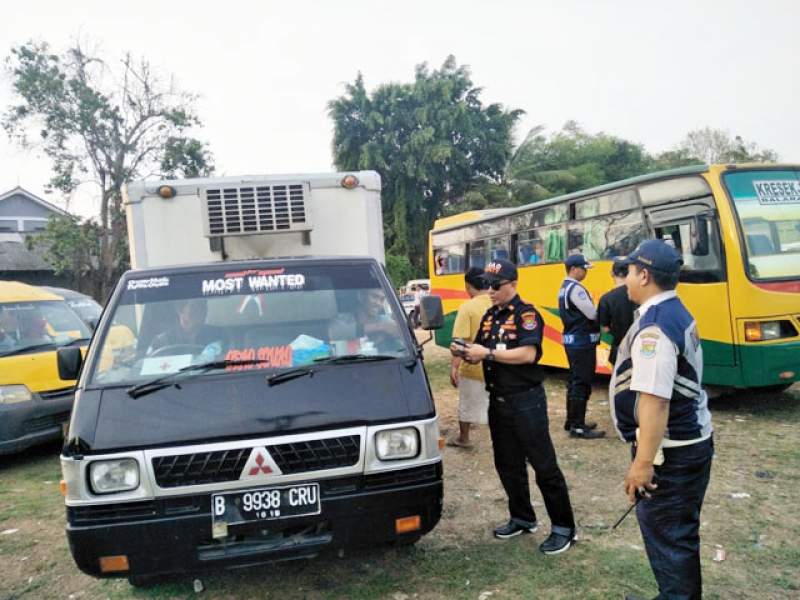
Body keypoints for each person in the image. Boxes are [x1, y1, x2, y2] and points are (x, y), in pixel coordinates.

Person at [610, 240, 713, 600]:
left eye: (628, 272)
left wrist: (642, 464)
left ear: (645, 274)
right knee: (678, 534)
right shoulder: (676, 311)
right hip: (689, 444)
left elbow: (655, 403)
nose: (624, 280)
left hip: (671, 453)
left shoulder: (654, 328)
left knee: (669, 535)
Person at [454, 259, 577, 554]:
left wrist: (489, 354)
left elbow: (528, 354)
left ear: (513, 284)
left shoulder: (527, 315)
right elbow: (483, 349)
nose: (490, 290)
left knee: (544, 465)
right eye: (486, 285)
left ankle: (564, 527)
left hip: (526, 401)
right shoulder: (489, 316)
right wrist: (467, 353)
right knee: (507, 464)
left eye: (496, 286)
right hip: (498, 401)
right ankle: (522, 517)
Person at [558, 254, 605, 439]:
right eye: (583, 269)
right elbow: (592, 314)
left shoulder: (564, 287)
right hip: (581, 342)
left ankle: (572, 421)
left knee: (575, 381)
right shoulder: (576, 289)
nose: (585, 272)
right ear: (574, 269)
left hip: (574, 342)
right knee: (581, 382)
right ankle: (578, 426)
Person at [447, 267, 492, 449]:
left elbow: (460, 342)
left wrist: (454, 367)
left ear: (467, 286)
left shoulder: (468, 307)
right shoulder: (497, 302)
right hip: (498, 366)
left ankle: (464, 438)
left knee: (466, 405)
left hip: (474, 367)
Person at [148, 298, 225, 356]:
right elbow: (149, 366)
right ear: (181, 311)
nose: (202, 311)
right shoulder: (161, 341)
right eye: (195, 308)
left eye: (203, 307)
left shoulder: (217, 335)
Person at [597, 258, 638, 365]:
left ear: (612, 273)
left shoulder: (606, 299)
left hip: (619, 349)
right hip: (640, 348)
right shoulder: (642, 295)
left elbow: (605, 329)